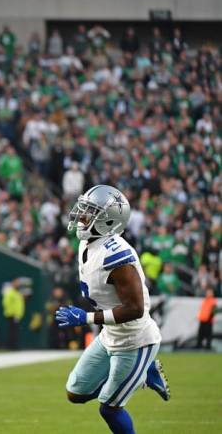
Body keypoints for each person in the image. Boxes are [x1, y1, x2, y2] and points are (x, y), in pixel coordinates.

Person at [56, 185, 171, 434]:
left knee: (109, 407)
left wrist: (85, 318)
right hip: (110, 335)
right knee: (75, 394)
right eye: (84, 208)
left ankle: (142, 370)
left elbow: (135, 309)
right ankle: (143, 374)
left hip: (135, 340)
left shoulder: (117, 256)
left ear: (107, 220)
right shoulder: (86, 243)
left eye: (89, 211)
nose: (81, 215)